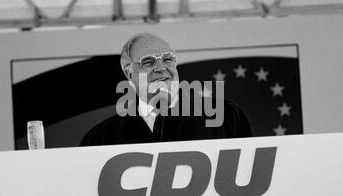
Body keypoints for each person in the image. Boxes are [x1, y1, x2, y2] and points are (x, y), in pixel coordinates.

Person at [80, 33, 252, 146]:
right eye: (148, 62)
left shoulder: (226, 116)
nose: (161, 67)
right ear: (129, 72)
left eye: (168, 59)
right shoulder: (100, 138)